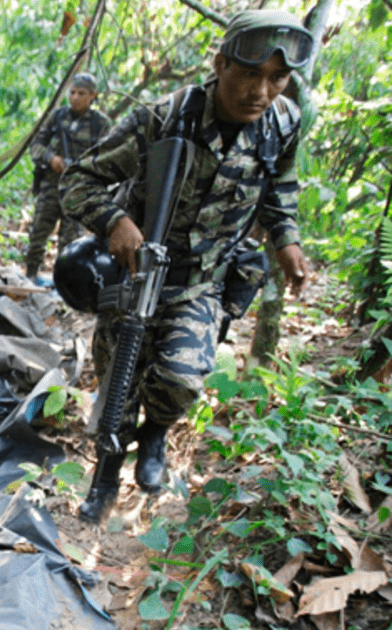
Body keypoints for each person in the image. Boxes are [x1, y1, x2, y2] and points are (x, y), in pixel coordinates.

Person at [60, 9, 312, 522]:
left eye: (277, 79)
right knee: (117, 383)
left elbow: (279, 190)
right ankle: (104, 480)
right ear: (220, 64)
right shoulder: (163, 118)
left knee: (180, 378)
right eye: (248, 73)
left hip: (204, 281)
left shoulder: (282, 125)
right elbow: (78, 181)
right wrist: (115, 223)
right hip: (134, 275)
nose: (261, 91)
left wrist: (286, 240)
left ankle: (155, 438)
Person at [24, 73, 112, 284]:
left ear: (93, 96)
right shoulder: (57, 117)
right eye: (72, 92)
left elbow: (107, 157)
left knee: (71, 241)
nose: (75, 97)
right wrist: (50, 158)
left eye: (81, 93)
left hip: (78, 190)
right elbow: (35, 145)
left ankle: (62, 283)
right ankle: (30, 275)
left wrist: (80, 168)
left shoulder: (100, 124)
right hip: (51, 185)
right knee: (38, 232)